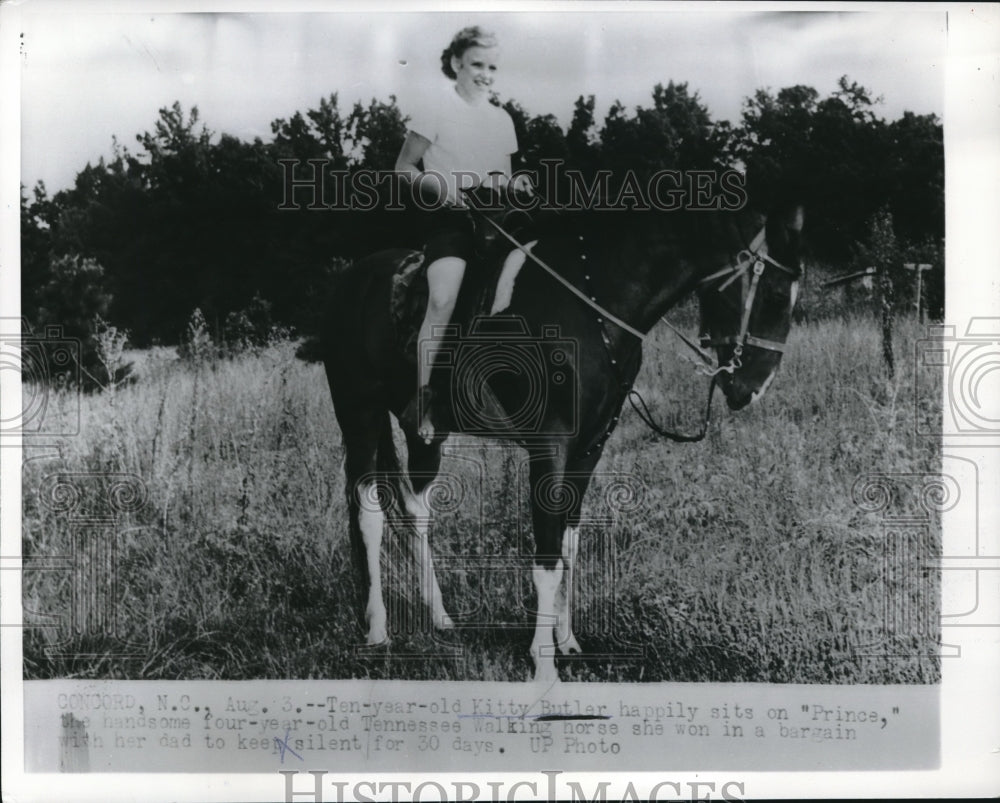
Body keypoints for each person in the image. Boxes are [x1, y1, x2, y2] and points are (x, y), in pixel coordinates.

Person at [395, 25, 532, 442]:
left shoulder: (502, 119)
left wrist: (517, 187)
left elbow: (504, 178)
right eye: (477, 64)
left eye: (492, 66)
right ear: (456, 63)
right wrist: (444, 190)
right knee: (443, 297)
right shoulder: (433, 108)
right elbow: (403, 169)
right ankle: (422, 400)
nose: (485, 74)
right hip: (451, 220)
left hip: (498, 221)